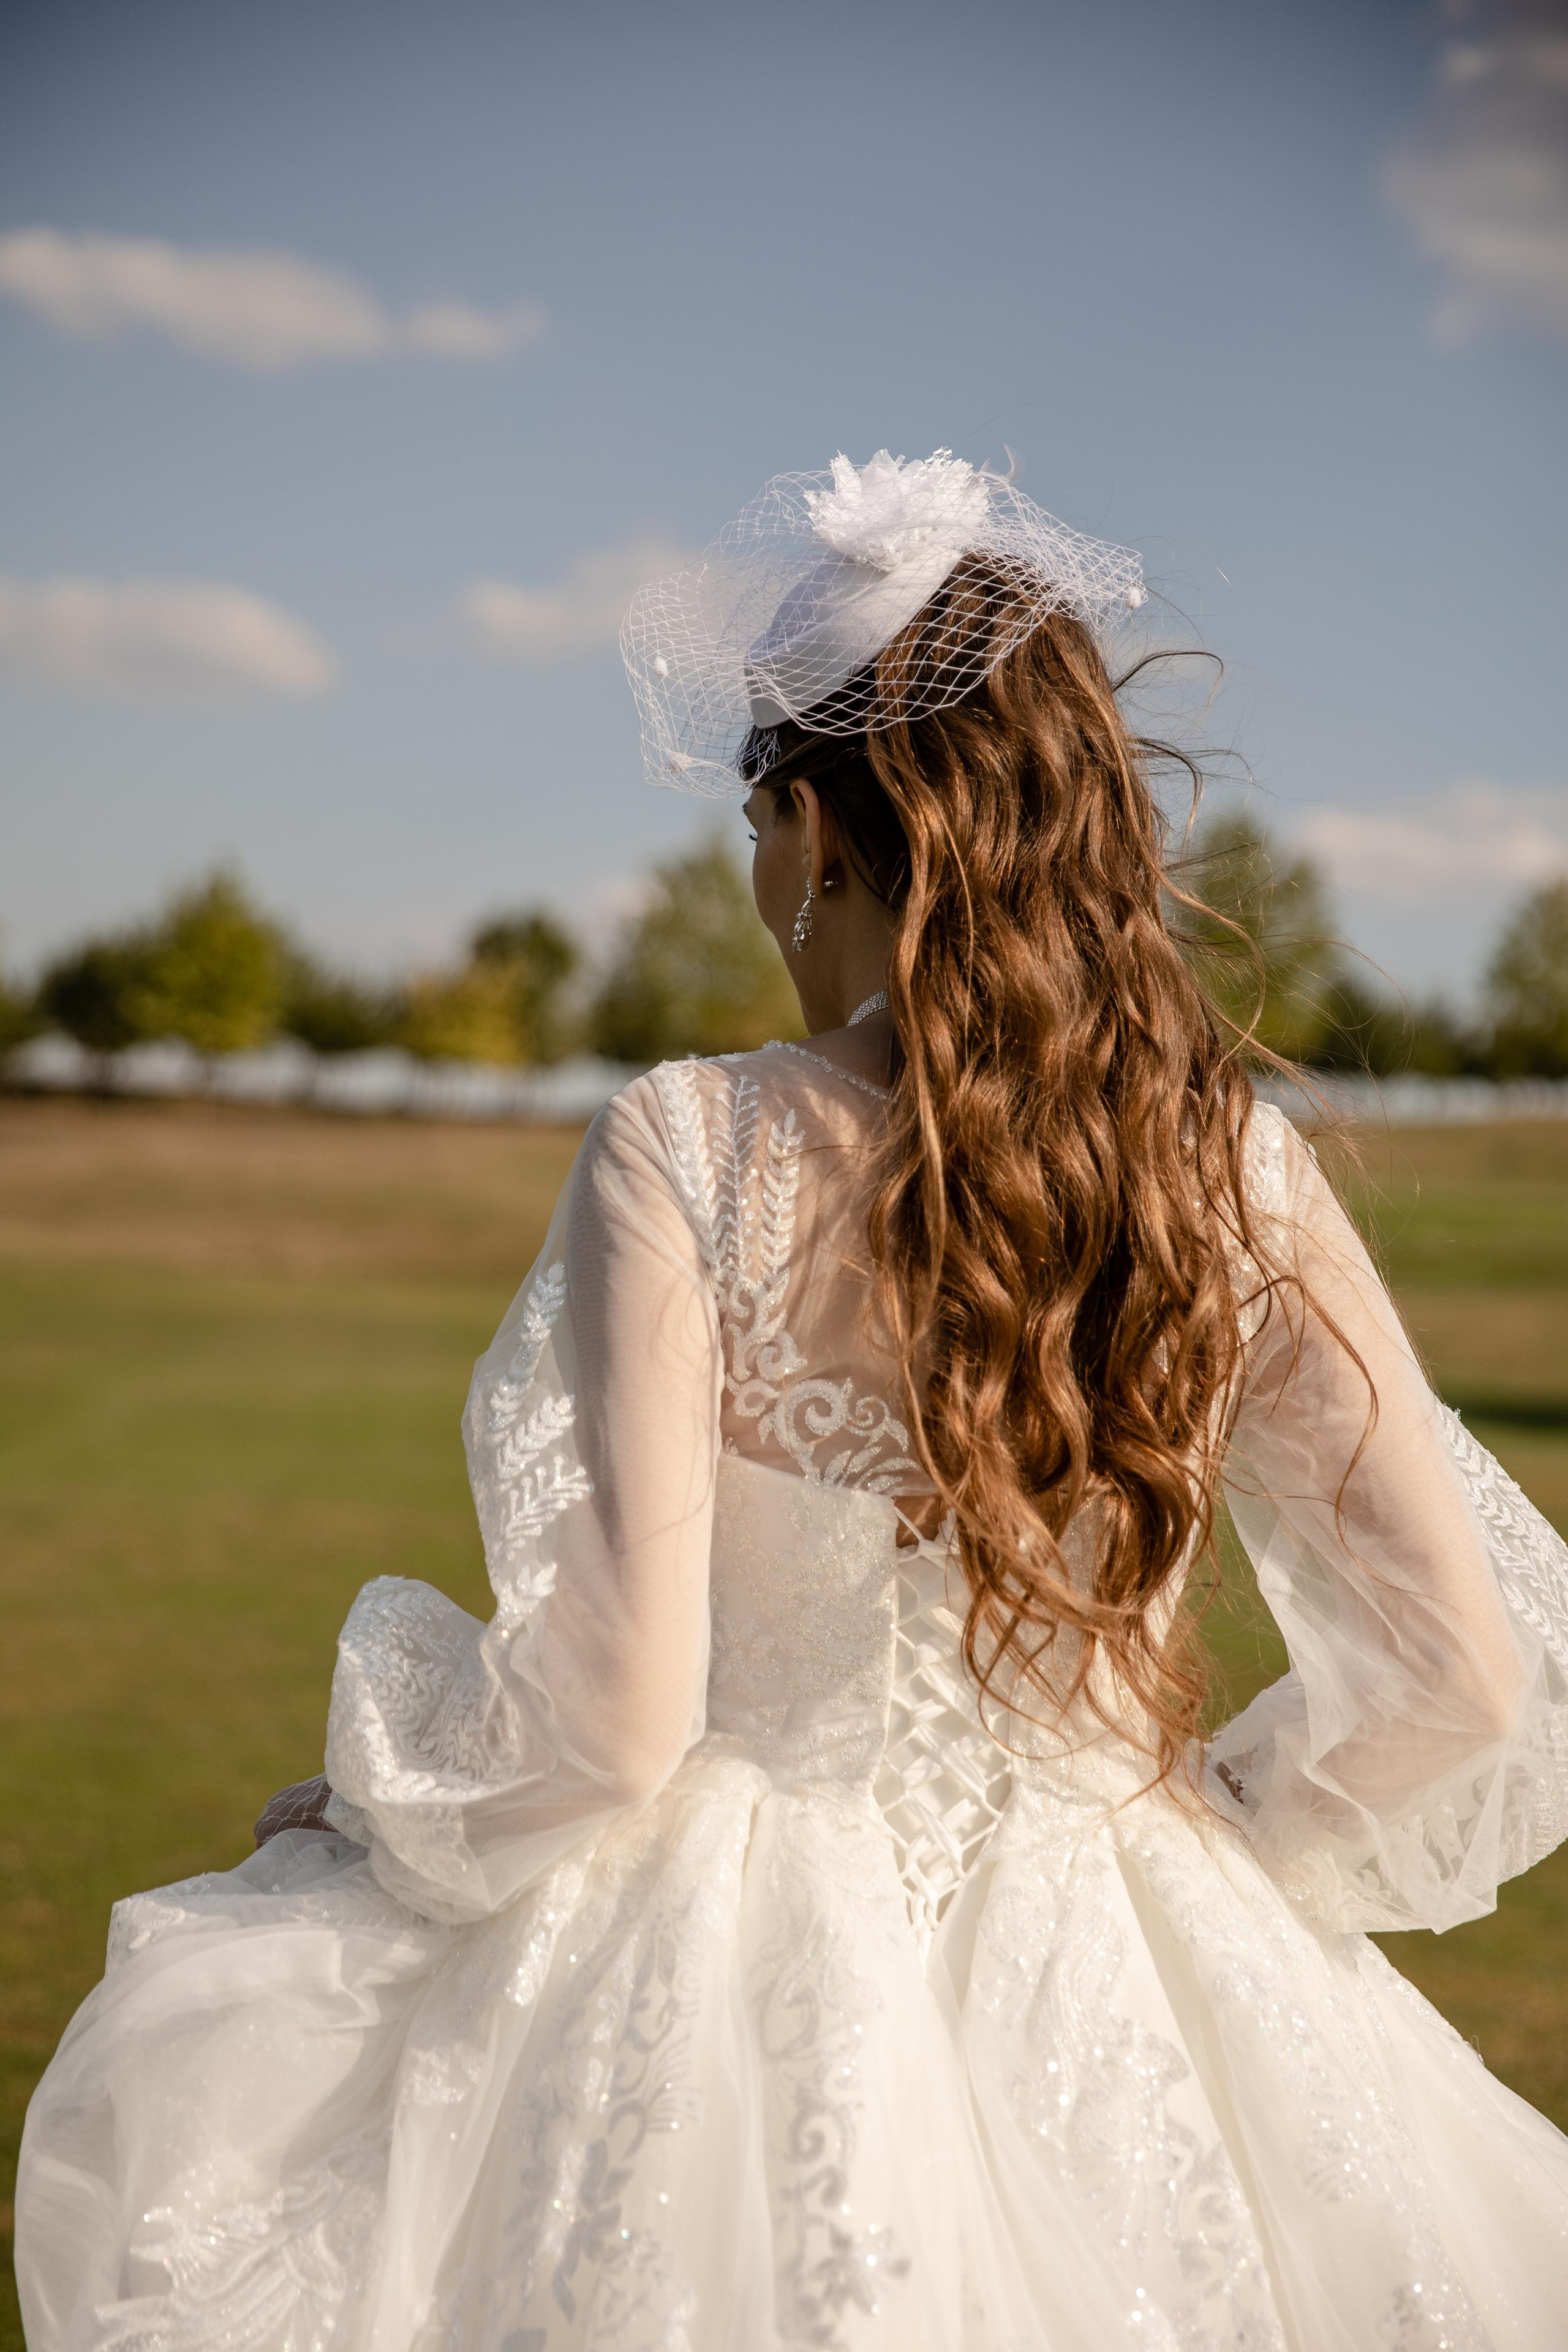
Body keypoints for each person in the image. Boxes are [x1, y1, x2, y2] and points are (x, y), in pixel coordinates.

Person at [17, 450, 1568, 2351]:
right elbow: (1464, 1685)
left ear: (817, 825)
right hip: (1144, 1933)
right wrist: (1222, 1835)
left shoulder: (691, 1143)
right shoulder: (1226, 1167)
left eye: (759, 819)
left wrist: (372, 1808)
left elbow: (614, 1717)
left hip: (731, 1961)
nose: (758, 875)